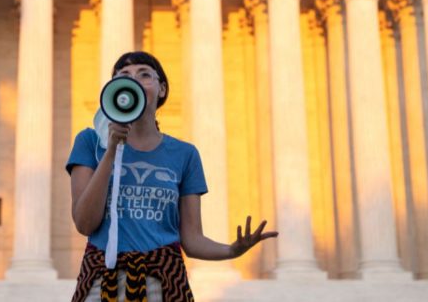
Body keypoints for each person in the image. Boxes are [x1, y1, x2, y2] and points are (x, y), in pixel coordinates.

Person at [66, 51, 277, 302]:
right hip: (104, 283)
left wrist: (232, 250)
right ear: (115, 91)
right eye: (124, 75)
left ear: (162, 89)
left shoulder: (185, 154)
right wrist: (111, 150)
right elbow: (85, 223)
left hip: (163, 283)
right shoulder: (90, 142)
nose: (133, 79)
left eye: (144, 74)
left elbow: (192, 239)